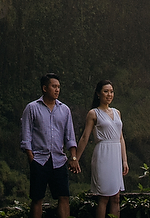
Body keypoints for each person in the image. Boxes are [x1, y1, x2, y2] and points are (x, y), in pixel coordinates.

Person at [20, 73, 80, 218]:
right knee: (37, 198)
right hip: (39, 159)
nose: (57, 90)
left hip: (59, 160)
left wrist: (73, 157)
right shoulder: (32, 108)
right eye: (54, 86)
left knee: (64, 196)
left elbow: (70, 136)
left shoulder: (64, 110)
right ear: (44, 88)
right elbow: (26, 135)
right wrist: (30, 157)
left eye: (59, 87)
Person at [77, 80, 128, 218]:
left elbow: (120, 137)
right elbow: (84, 137)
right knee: (104, 197)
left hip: (116, 154)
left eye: (111, 91)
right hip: (103, 154)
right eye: (106, 91)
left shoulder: (117, 112)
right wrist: (75, 158)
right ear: (98, 94)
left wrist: (124, 160)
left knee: (116, 197)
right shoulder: (93, 113)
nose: (109, 94)